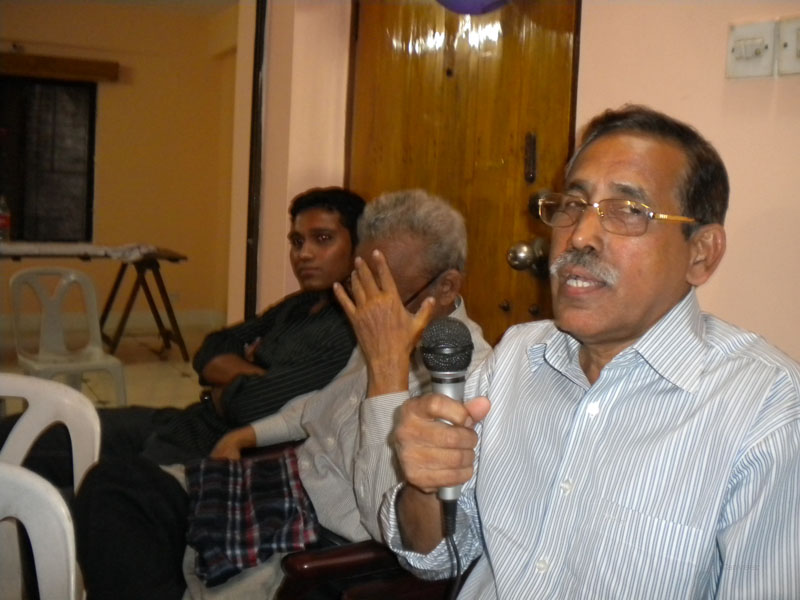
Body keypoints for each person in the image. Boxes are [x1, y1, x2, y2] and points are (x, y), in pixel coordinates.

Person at [378, 106, 800, 598]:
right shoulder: (517, 355)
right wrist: (426, 484)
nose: (578, 236)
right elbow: (435, 555)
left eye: (628, 211)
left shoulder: (767, 408)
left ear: (700, 253)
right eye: (573, 205)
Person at [74, 190, 491, 600]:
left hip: (318, 544)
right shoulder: (381, 323)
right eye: (359, 286)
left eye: (382, 295)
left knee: (130, 535)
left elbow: (394, 530)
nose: (366, 309)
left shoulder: (467, 384)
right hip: (279, 484)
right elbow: (317, 405)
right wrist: (246, 435)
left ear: (446, 287)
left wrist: (387, 371)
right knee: (114, 486)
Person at [0, 187, 365, 486]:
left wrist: (230, 384)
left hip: (205, 452)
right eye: (297, 241)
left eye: (323, 239)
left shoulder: (349, 328)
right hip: (182, 421)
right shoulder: (299, 305)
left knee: (56, 499)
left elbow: (249, 408)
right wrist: (257, 377)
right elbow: (211, 349)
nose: (304, 254)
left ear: (359, 246)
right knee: (35, 429)